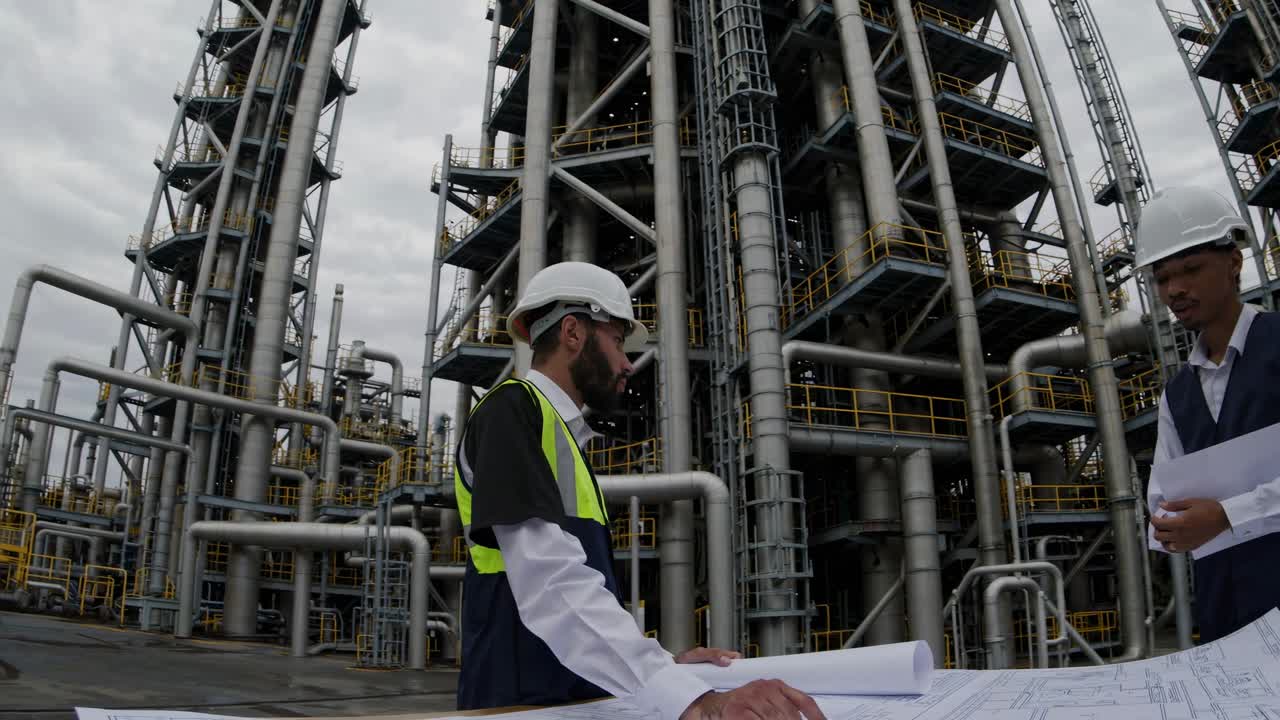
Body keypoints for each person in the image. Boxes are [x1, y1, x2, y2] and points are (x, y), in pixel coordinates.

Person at [453, 262, 825, 720]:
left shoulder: (561, 435)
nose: (628, 362)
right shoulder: (511, 411)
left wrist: (667, 666)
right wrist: (694, 701)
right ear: (573, 332)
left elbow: (583, 592)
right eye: (616, 340)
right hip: (517, 704)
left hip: (575, 702)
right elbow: (550, 581)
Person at [1138, 186, 1280, 643]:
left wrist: (1228, 515)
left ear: (1234, 263)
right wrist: (1168, 524)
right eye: (1161, 279)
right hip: (1226, 611)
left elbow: (1216, 515)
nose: (1175, 289)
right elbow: (1160, 498)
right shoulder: (1176, 395)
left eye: (1191, 270)